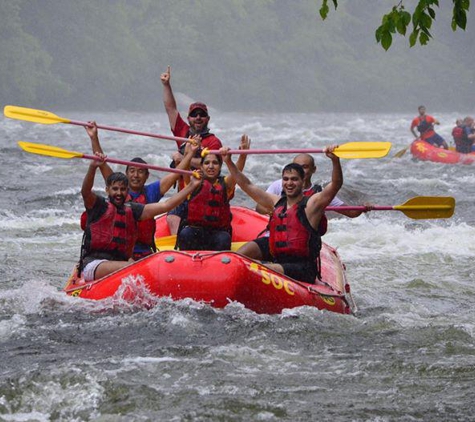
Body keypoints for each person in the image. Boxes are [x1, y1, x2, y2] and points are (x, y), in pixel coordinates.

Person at [222, 145, 343, 284]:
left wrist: (335, 160)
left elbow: (336, 184)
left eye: (294, 179)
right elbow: (247, 185)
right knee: (236, 260)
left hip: (302, 267)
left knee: (256, 269)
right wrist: (228, 162)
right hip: (279, 258)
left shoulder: (312, 204)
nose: (289, 183)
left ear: (303, 182)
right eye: (286, 179)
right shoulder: (276, 202)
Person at [85, 121, 201, 260]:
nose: (135, 175)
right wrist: (94, 137)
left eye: (140, 172)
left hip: (145, 251)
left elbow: (175, 173)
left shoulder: (151, 192)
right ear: (126, 175)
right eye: (132, 171)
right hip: (121, 252)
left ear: (147, 176)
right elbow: (101, 162)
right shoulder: (118, 190)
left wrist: (191, 153)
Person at [80, 153, 200, 281]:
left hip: (120, 262)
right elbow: (86, 191)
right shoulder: (99, 205)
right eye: (115, 189)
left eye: (122, 189)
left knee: (135, 266)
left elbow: (166, 205)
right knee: (133, 266)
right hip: (94, 263)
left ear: (127, 191)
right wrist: (93, 167)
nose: (119, 193)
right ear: (107, 190)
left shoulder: (133, 209)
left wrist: (192, 186)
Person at [160, 65, 223, 234]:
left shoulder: (213, 142)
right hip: (185, 192)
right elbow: (171, 109)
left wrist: (183, 159)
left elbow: (211, 165)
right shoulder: (182, 132)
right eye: (194, 115)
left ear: (207, 119)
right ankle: (176, 251)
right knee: (173, 216)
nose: (198, 118)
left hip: (204, 193)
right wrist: (166, 85)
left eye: (201, 115)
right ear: (188, 118)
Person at [176, 135, 250, 251]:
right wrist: (189, 153)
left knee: (224, 239)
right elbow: (184, 170)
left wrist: (243, 155)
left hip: (217, 233)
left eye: (215, 163)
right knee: (186, 234)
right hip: (195, 232)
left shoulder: (226, 183)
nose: (211, 166)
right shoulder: (194, 182)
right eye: (207, 163)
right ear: (201, 166)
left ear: (220, 166)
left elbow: (237, 172)